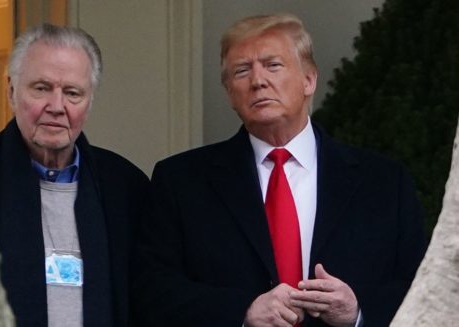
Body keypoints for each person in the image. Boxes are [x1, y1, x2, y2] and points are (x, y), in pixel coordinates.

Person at [133, 13, 426, 327]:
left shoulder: (383, 182)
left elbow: (424, 289)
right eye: (242, 70)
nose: (258, 81)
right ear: (230, 92)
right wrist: (242, 312)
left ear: (309, 80)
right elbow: (153, 292)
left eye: (273, 65)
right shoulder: (182, 182)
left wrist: (358, 310)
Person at [0, 24, 148, 327]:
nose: (56, 106)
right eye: (41, 88)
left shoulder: (125, 187)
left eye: (72, 93)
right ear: (11, 91)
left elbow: (147, 300)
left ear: (89, 102)